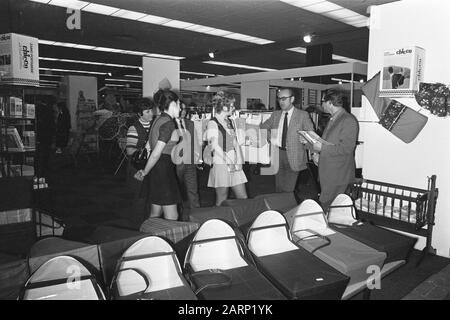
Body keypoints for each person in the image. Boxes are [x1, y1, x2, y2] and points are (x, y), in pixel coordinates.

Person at [135, 89, 182, 221]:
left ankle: (149, 239)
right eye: (179, 104)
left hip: (157, 168)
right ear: (173, 104)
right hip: (163, 169)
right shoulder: (168, 123)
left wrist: (147, 170)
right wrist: (144, 171)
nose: (181, 107)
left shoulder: (157, 119)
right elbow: (156, 152)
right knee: (172, 216)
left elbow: (151, 147)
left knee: (155, 213)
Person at [310, 89, 359, 211]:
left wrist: (322, 149)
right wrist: (314, 148)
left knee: (333, 210)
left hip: (338, 176)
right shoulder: (334, 119)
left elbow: (346, 148)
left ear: (330, 103)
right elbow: (329, 143)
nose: (321, 105)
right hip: (329, 173)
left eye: (323, 101)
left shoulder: (348, 120)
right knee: (329, 208)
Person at [260, 87, 315, 193]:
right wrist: (270, 138)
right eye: (279, 98)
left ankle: (288, 207)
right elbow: (263, 127)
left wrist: (305, 138)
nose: (281, 101)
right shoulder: (276, 114)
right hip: (278, 154)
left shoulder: (302, 115)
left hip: (294, 155)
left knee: (288, 189)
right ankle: (280, 207)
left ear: (292, 99)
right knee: (278, 187)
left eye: (284, 98)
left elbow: (311, 134)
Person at [206, 92, 247, 206]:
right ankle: (217, 222)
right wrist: (228, 161)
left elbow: (235, 142)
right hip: (221, 162)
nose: (234, 108)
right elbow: (214, 146)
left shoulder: (229, 121)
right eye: (232, 105)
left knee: (243, 197)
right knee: (222, 198)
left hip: (233, 160)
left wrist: (239, 159)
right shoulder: (212, 123)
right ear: (224, 107)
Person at [125, 98, 156, 224]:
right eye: (147, 112)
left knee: (149, 197)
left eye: (151, 111)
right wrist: (146, 148)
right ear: (140, 113)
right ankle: (137, 226)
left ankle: (147, 225)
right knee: (139, 198)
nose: (151, 114)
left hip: (149, 166)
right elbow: (130, 151)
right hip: (137, 167)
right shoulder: (134, 128)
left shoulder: (154, 125)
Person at [175, 102, 201, 214]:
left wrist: (198, 159)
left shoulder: (190, 123)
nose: (184, 111)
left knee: (193, 190)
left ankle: (197, 215)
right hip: (175, 162)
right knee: (176, 190)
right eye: (182, 109)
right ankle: (177, 214)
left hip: (190, 161)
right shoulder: (170, 124)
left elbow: (195, 142)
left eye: (185, 109)